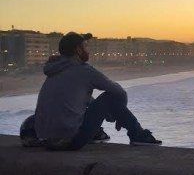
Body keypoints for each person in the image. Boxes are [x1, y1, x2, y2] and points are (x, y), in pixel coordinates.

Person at [28, 32, 161, 149]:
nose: (88, 50)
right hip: (70, 141)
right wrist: (119, 115)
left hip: (46, 140)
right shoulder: (85, 71)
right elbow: (119, 92)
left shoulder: (53, 70)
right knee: (108, 98)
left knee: (80, 101)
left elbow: (78, 101)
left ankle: (96, 133)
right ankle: (137, 135)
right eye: (86, 46)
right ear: (78, 50)